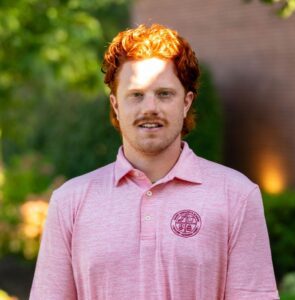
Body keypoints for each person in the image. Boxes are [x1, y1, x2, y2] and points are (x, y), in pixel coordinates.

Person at [30, 24, 279, 299]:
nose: (150, 107)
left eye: (164, 94)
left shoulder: (237, 196)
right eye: (136, 95)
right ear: (115, 105)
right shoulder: (70, 202)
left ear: (186, 103)